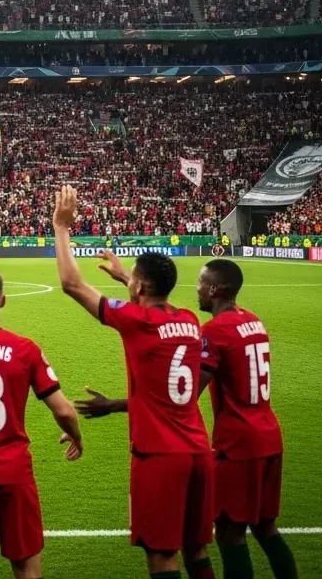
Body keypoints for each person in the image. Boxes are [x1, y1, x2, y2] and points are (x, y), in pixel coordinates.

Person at [79, 257, 298, 579]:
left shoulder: (215, 332)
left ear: (215, 289)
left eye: (200, 284)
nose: (196, 290)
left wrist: (113, 405)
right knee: (266, 528)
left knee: (229, 533)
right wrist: (127, 278)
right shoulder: (254, 321)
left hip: (239, 444)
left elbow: (181, 394)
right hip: (270, 435)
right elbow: (163, 311)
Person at [50, 184, 216, 579]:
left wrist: (61, 227)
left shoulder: (136, 322)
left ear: (140, 289)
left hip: (159, 458)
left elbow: (72, 284)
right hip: (198, 451)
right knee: (196, 553)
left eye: (134, 283)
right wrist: (127, 274)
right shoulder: (189, 322)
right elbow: (150, 300)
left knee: (162, 558)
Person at [0, 267, 83, 579]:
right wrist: (75, 435)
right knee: (26, 563)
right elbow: (64, 411)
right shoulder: (25, 349)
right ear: (3, 301)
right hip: (14, 470)